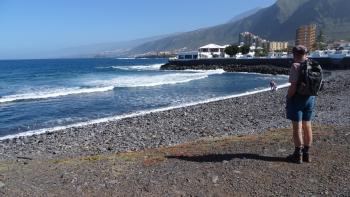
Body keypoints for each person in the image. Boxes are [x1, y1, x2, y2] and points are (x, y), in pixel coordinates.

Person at [286, 45, 316, 164]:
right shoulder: (313, 64)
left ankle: (297, 155)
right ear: (306, 54)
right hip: (310, 98)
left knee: (297, 127)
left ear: (294, 55)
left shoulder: (295, 66)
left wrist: (289, 96)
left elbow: (293, 87)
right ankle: (307, 154)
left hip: (297, 99)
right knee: (307, 126)